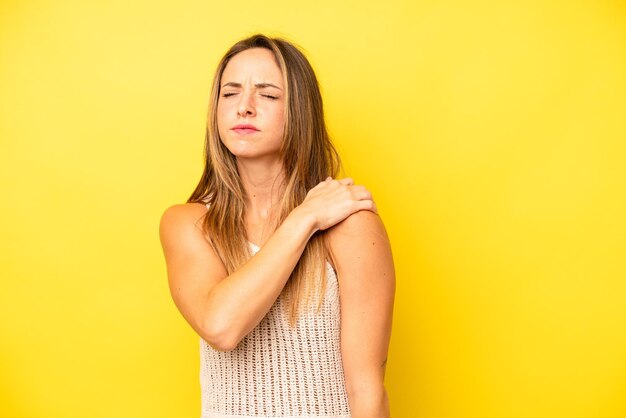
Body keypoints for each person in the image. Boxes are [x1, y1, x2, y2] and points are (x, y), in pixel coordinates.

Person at [159, 33, 395, 418]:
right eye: (230, 93)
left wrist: (312, 215)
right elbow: (221, 326)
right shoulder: (188, 224)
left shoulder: (351, 227)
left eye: (268, 95)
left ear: (300, 111)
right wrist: (304, 218)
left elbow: (366, 391)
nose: (245, 108)